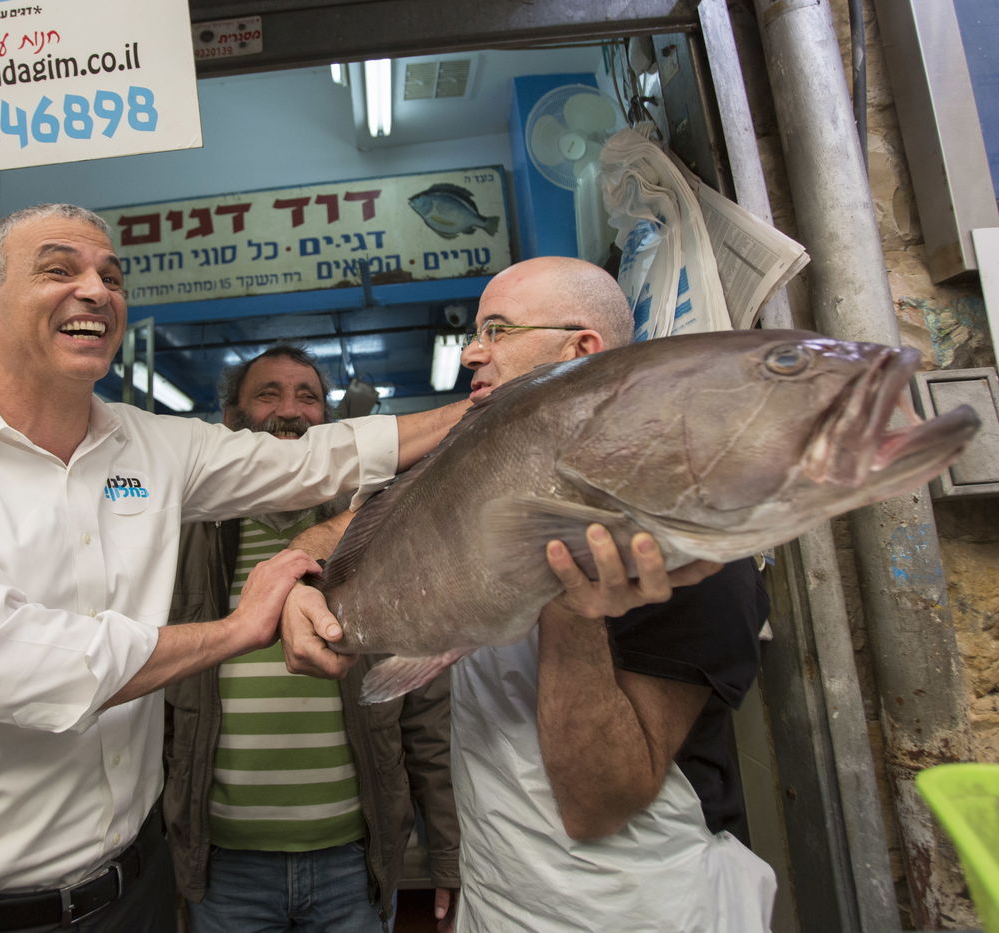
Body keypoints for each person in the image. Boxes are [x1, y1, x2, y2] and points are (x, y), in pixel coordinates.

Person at [0, 204, 467, 933]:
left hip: (132, 891)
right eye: (59, 269)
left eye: (111, 275)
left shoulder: (151, 447)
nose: (97, 290)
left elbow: (319, 459)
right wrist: (234, 631)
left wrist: (485, 409)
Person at [282, 256, 775, 932]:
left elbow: (598, 802)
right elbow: (368, 527)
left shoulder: (681, 528)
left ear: (581, 351)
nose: (472, 354)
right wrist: (295, 573)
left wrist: (570, 606)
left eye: (498, 329)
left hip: (635, 911)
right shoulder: (488, 483)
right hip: (499, 900)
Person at [164, 344, 460, 933]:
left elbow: (424, 706)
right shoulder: (182, 538)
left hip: (352, 858)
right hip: (222, 864)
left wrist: (446, 850)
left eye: (307, 396)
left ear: (329, 424)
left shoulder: (372, 535)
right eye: (268, 393)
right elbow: (155, 704)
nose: (291, 410)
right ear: (232, 420)